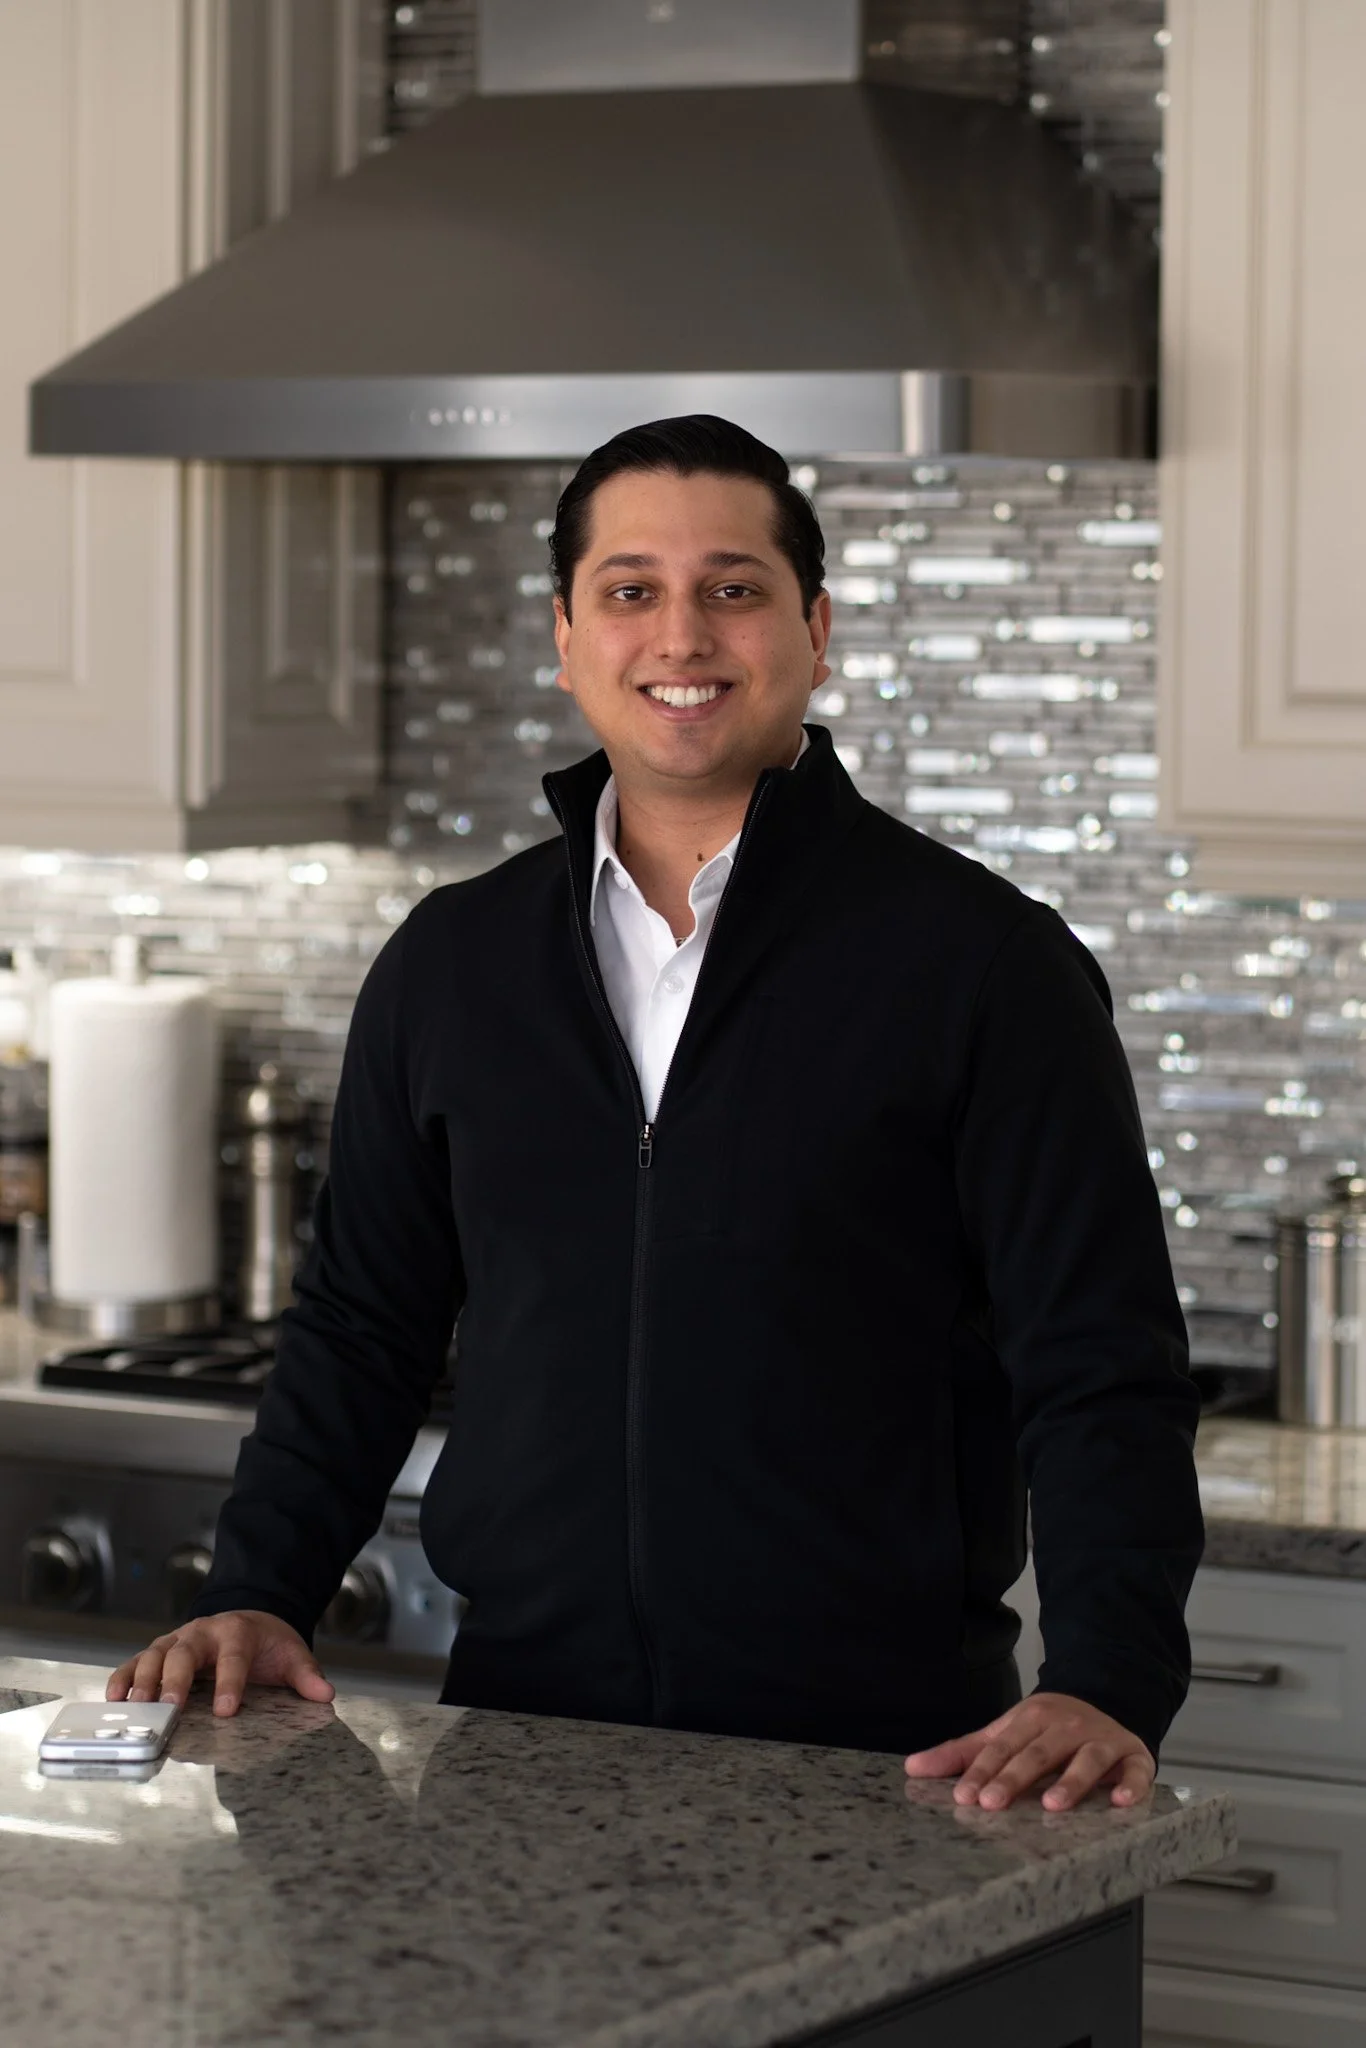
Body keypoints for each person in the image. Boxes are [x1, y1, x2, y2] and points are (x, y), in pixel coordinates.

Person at [109, 415, 1203, 1813]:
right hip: (509, 1750)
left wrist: (1106, 1675)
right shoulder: (452, 963)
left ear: (812, 629)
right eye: (630, 590)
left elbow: (1099, 1363)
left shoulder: (984, 965)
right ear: (565, 636)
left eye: (732, 588)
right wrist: (261, 1589)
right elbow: (360, 1330)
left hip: (888, 1759)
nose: (680, 635)